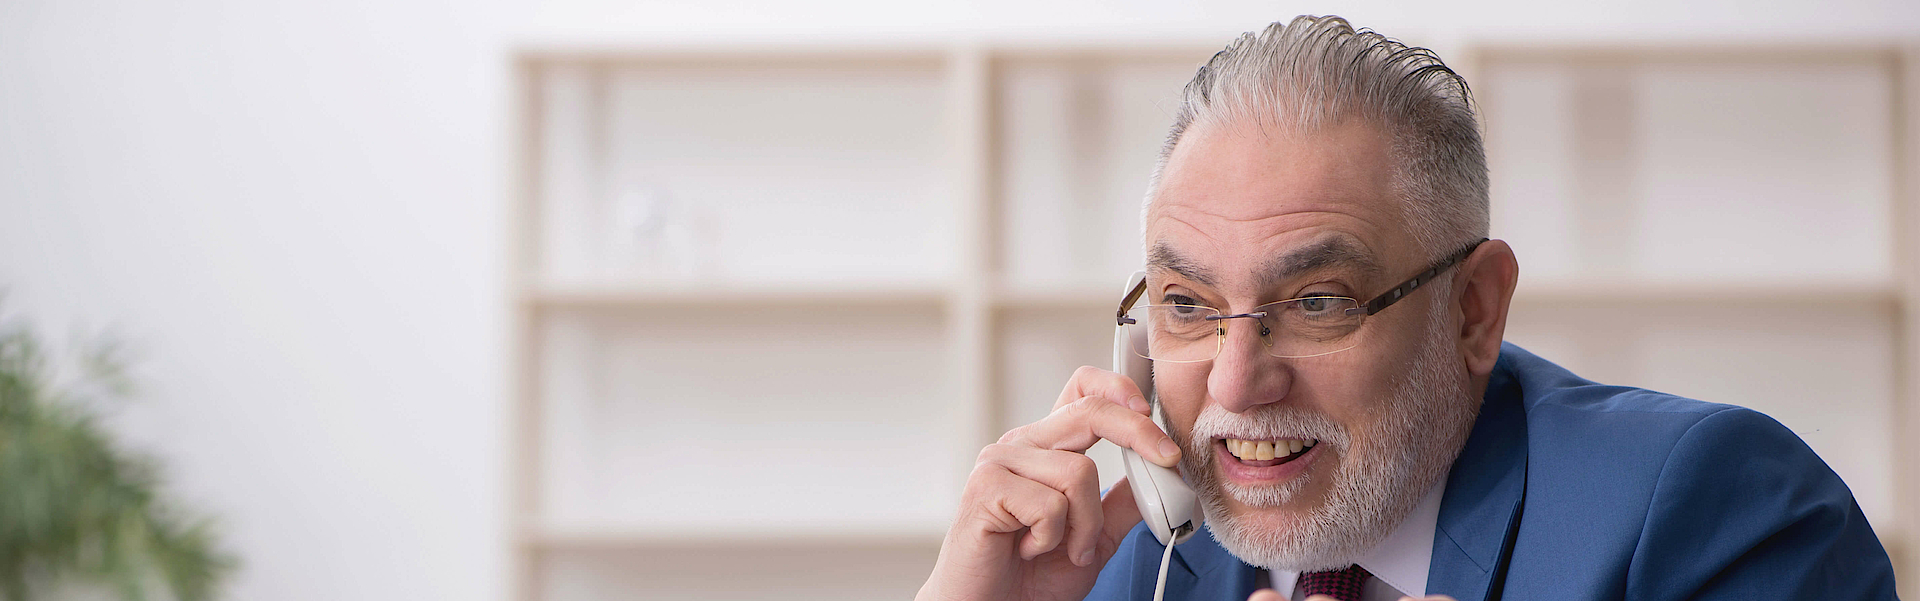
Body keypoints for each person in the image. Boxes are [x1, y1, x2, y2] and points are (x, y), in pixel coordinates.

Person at [916, 15, 1899, 601]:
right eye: (1187, 303)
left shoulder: (1714, 510)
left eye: (1315, 300)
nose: (1234, 383)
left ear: (1474, 309)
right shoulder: (1153, 557)